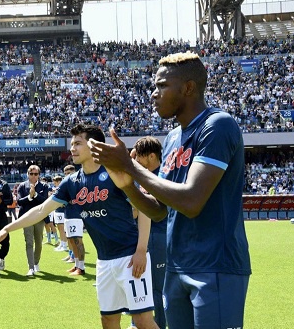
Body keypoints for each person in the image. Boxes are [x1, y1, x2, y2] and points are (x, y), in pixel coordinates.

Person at [88, 51, 250, 329]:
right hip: (177, 266)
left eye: (162, 85)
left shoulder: (217, 125)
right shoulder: (173, 137)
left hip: (215, 266)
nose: (154, 94)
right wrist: (126, 184)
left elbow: (191, 202)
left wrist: (130, 165)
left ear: (188, 88)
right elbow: (159, 211)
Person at [0, 124, 157, 329]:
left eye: (78, 143)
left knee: (143, 321)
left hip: (130, 257)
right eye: (72, 144)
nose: (72, 148)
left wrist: (141, 250)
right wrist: (7, 228)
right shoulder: (71, 182)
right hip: (104, 260)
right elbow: (41, 210)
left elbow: (144, 209)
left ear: (94, 146)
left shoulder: (115, 173)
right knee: (108, 320)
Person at [129, 136, 166, 329]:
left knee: (157, 288)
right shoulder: (140, 177)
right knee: (138, 281)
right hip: (140, 237)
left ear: (151, 156)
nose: (136, 161)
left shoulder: (164, 176)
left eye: (139, 157)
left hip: (159, 236)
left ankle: (158, 324)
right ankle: (136, 323)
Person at [15, 165, 48, 277]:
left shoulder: (44, 186)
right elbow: (19, 201)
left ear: (39, 175)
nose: (33, 176)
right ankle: (31, 267)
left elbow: (45, 201)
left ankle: (36, 262)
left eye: (36, 174)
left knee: (39, 242)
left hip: (39, 217)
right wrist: (29, 196)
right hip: (26, 218)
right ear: (28, 174)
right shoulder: (22, 186)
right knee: (29, 242)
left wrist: (36, 194)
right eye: (31, 174)